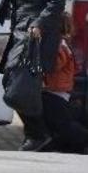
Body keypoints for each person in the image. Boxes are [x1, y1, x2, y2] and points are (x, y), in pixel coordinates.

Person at [0, 0, 65, 152]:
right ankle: (39, 133)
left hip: (34, 36)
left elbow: (56, 2)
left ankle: (39, 134)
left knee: (17, 85)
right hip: (19, 33)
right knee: (12, 83)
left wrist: (39, 23)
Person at [42, 25, 88, 153]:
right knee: (60, 125)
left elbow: (54, 65)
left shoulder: (59, 45)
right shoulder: (61, 44)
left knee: (63, 126)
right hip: (56, 91)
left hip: (55, 91)